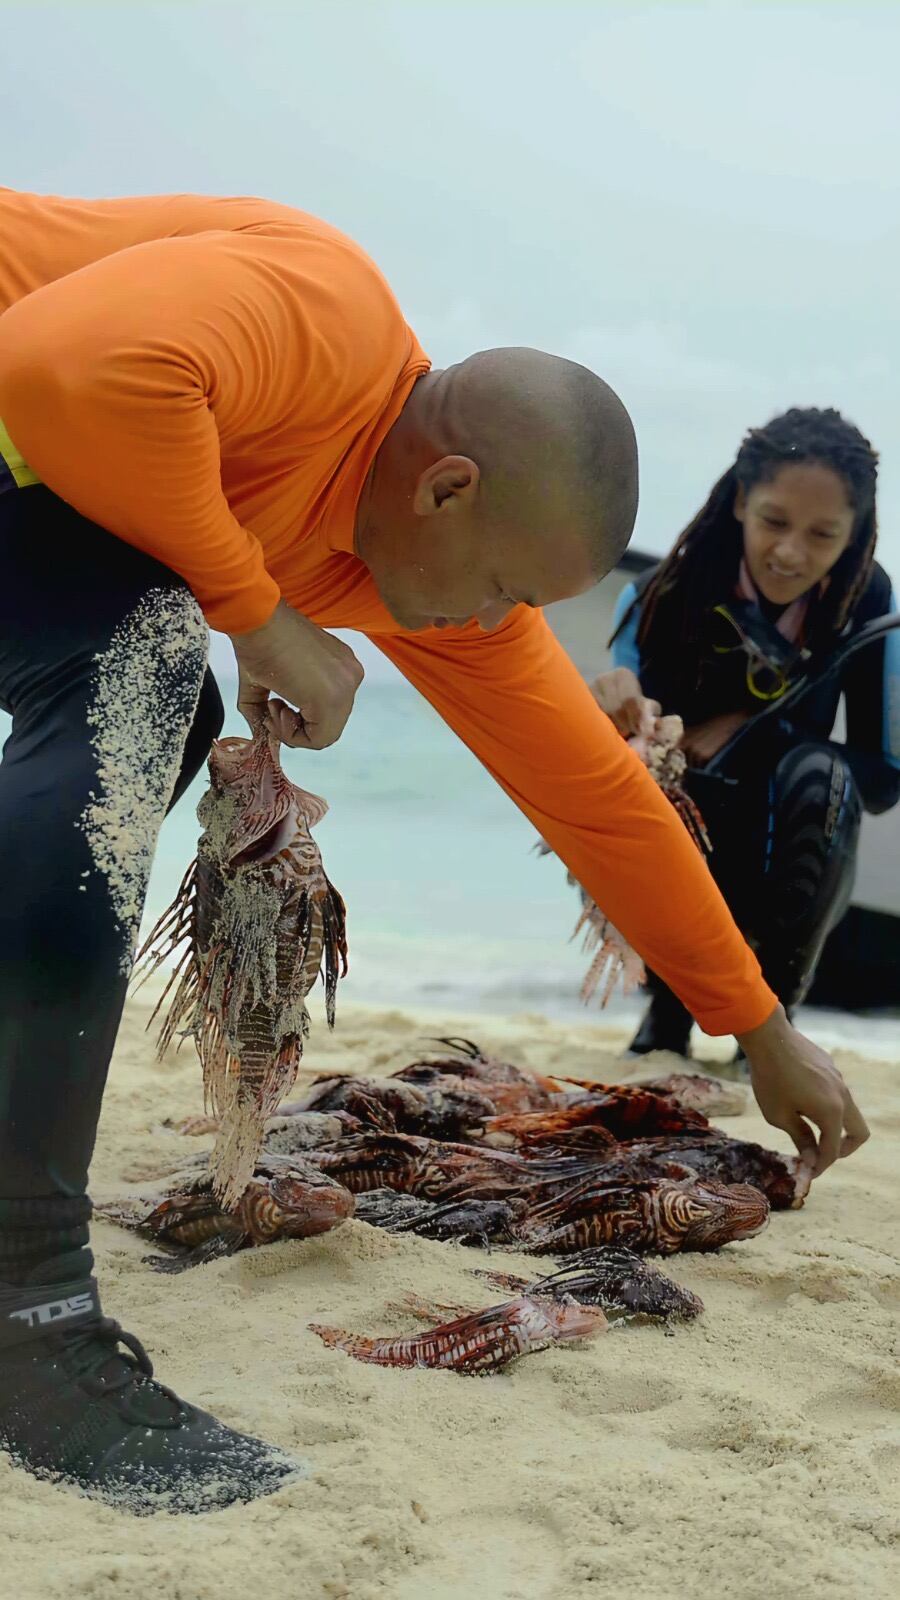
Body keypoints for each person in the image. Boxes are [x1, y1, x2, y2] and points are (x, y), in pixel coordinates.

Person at [0, 191, 867, 1515]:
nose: (499, 618)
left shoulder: (430, 583)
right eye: (508, 584)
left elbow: (598, 799)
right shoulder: (328, 316)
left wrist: (756, 1026)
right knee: (147, 679)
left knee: (143, 687)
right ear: (448, 486)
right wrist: (256, 611)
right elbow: (64, 373)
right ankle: (28, 1315)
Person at [595, 406, 900, 1058]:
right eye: (774, 522)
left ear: (854, 534)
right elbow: (611, 765)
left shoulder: (867, 602)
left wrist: (751, 728)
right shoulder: (658, 595)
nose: (790, 554)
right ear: (740, 502)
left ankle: (772, 1027)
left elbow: (881, 782)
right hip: (686, 837)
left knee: (824, 777)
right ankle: (665, 1016)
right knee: (642, 778)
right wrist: (607, 709)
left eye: (823, 534)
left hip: (789, 839)